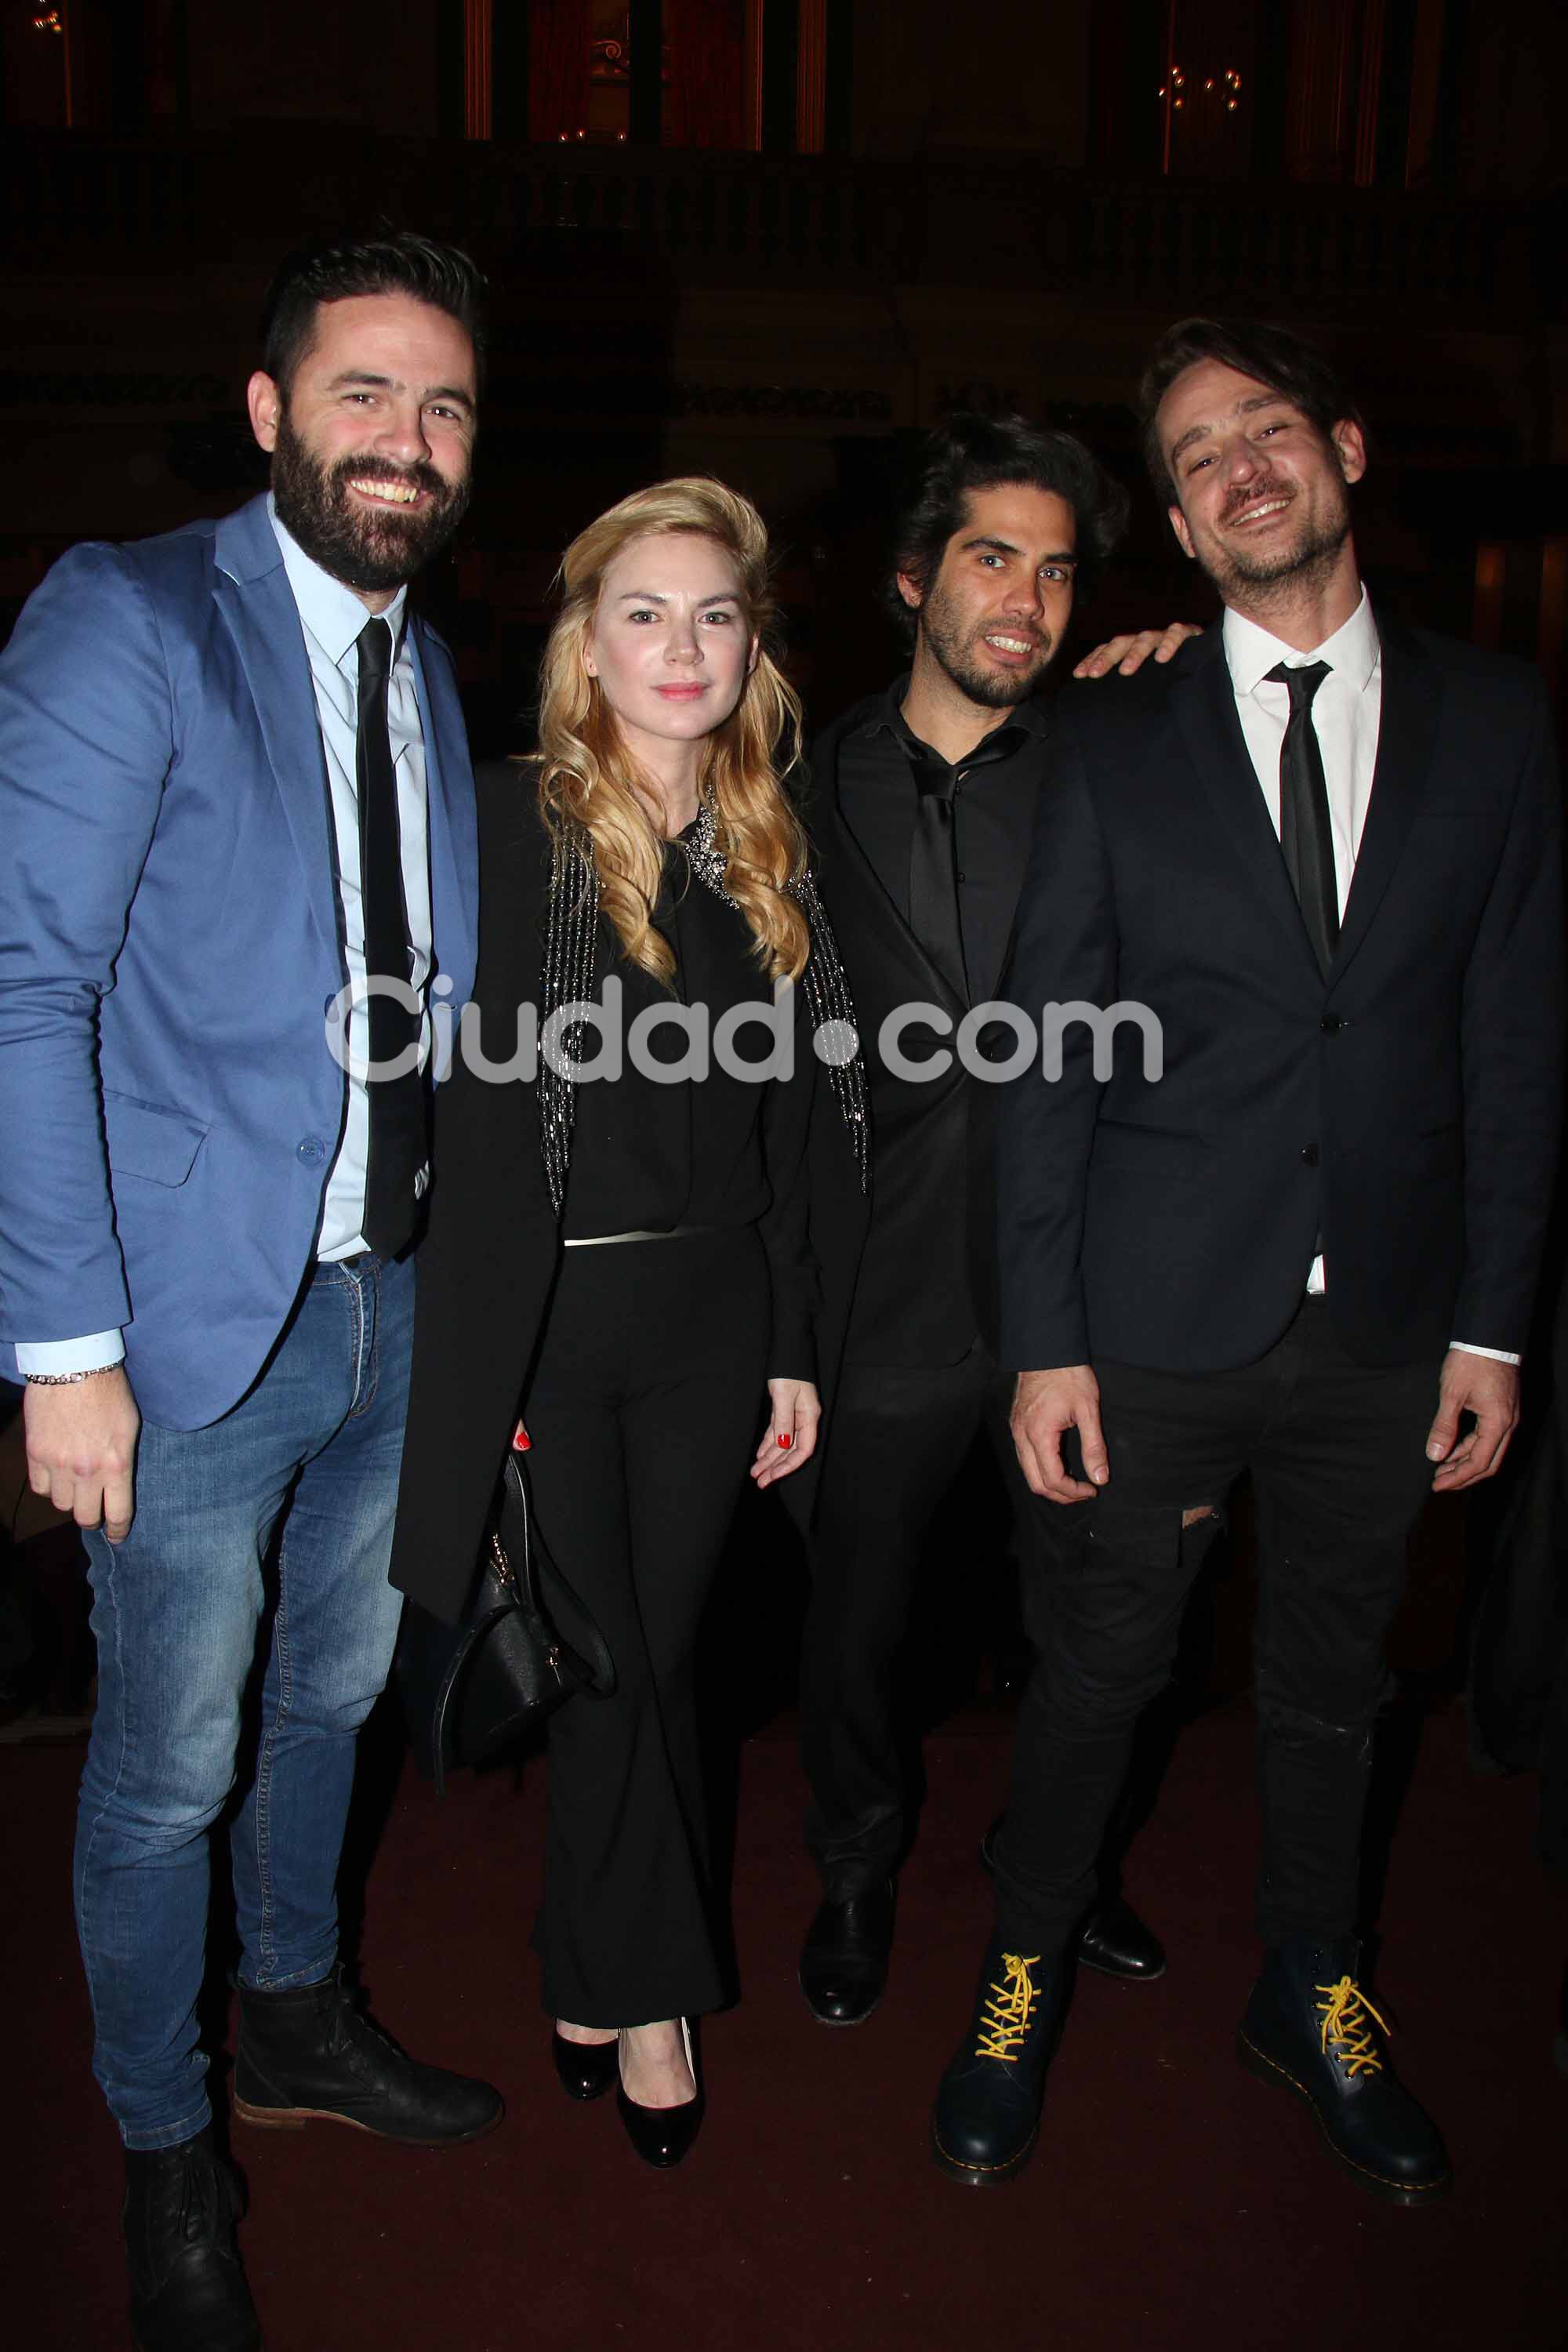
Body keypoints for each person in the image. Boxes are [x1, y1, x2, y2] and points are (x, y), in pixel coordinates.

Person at [931, 318, 1563, 2198]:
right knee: (1098, 1672)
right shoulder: (1111, 731)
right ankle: (1023, 1962)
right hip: (1149, 1324)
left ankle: (1313, 1978)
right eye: (1197, 458)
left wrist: (1494, 1330)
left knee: (1331, 1682)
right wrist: (1043, 1339)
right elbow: (1047, 1055)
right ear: (1186, 537)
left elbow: (1518, 1045)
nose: (1237, 468)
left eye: (1264, 430)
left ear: (1345, 454)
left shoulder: (1502, 722)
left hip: (1385, 1327)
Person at [0, 231, 502, 2352]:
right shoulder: (134, 617)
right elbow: (24, 988)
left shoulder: (429, 657)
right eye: (366, 394)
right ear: (272, 408)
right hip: (190, 1346)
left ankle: (293, 2018)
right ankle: (161, 2141)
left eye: (448, 407)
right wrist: (68, 1356)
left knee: (334, 1702)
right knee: (169, 1764)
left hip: (391, 1306)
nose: (408, 439)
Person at [389, 477, 864, 2169]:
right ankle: (649, 1998)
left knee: (652, 1663)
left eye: (714, 614)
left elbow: (801, 1133)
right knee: (606, 1666)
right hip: (551, 1313)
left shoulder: (773, 846)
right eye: (643, 613)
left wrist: (796, 1337)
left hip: (715, 1311)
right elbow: (440, 1102)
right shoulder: (506, 825)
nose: (682, 645)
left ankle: (590, 1971)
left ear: (753, 647)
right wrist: (478, 1356)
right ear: (585, 643)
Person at [789, 413, 1193, 2028]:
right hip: (872, 1301)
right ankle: (852, 1869)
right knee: (856, 1629)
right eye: (988, 557)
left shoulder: (1132, 758)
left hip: (1072, 1302)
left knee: (1090, 1620)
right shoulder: (791, 785)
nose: (1025, 599)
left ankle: (1061, 1871)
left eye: (1054, 569)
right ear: (910, 580)